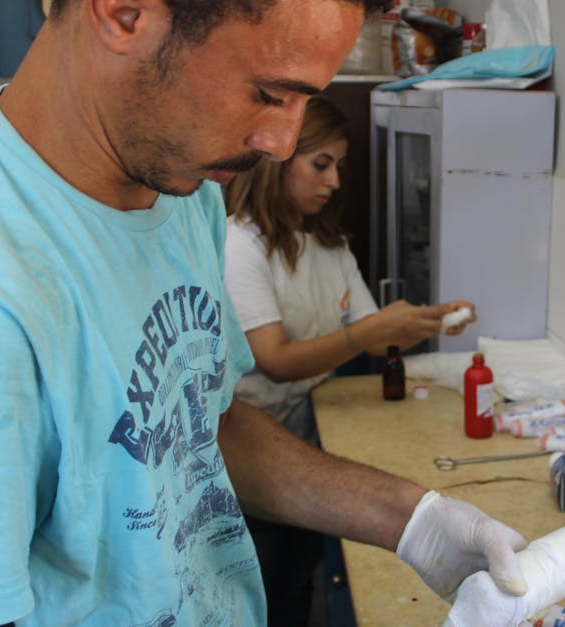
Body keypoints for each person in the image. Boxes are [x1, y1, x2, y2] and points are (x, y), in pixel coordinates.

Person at [0, 1, 528, 626]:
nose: (282, 143)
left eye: (305, 101)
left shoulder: (181, 188)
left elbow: (204, 425)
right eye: (268, 93)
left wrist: (410, 518)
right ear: (124, 12)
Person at [223, 95, 475, 626]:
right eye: (321, 165)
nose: (335, 181)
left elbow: (376, 338)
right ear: (278, 160)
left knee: (295, 579)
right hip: (248, 452)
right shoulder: (240, 245)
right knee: (261, 591)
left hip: (307, 442)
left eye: (339, 166)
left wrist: (430, 321)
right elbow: (274, 359)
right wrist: (370, 331)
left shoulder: (329, 246)